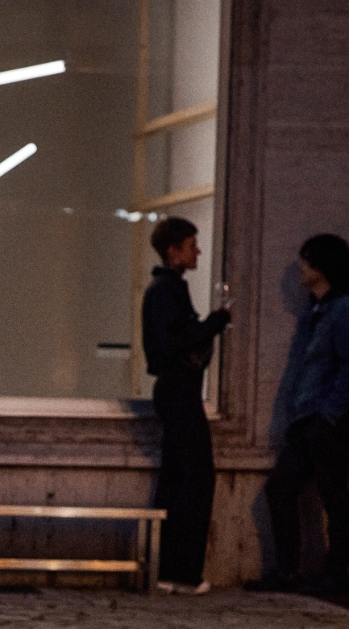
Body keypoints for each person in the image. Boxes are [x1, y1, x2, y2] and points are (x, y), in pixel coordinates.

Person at [248, 233, 349, 595]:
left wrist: (328, 414)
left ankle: (336, 575)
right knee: (282, 488)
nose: (300, 268)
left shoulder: (345, 310)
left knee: (333, 494)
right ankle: (290, 571)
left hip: (328, 418)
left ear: (322, 266)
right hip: (310, 418)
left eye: (306, 260)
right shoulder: (316, 312)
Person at [141, 216, 231, 595]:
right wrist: (216, 321)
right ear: (173, 250)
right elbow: (175, 341)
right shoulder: (167, 290)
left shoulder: (167, 288)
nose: (198, 251)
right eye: (191, 245)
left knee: (180, 477)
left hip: (177, 390)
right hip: (180, 391)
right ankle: (182, 571)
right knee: (194, 479)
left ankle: (170, 569)